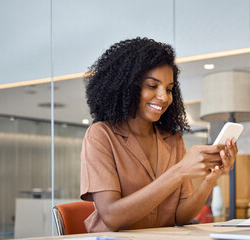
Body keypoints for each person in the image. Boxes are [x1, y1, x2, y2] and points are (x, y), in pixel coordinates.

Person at [80, 37, 237, 232]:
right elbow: (112, 216)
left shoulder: (173, 139)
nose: (164, 97)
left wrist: (211, 178)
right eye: (152, 86)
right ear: (127, 86)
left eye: (169, 89)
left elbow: (182, 216)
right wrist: (179, 171)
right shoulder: (101, 135)